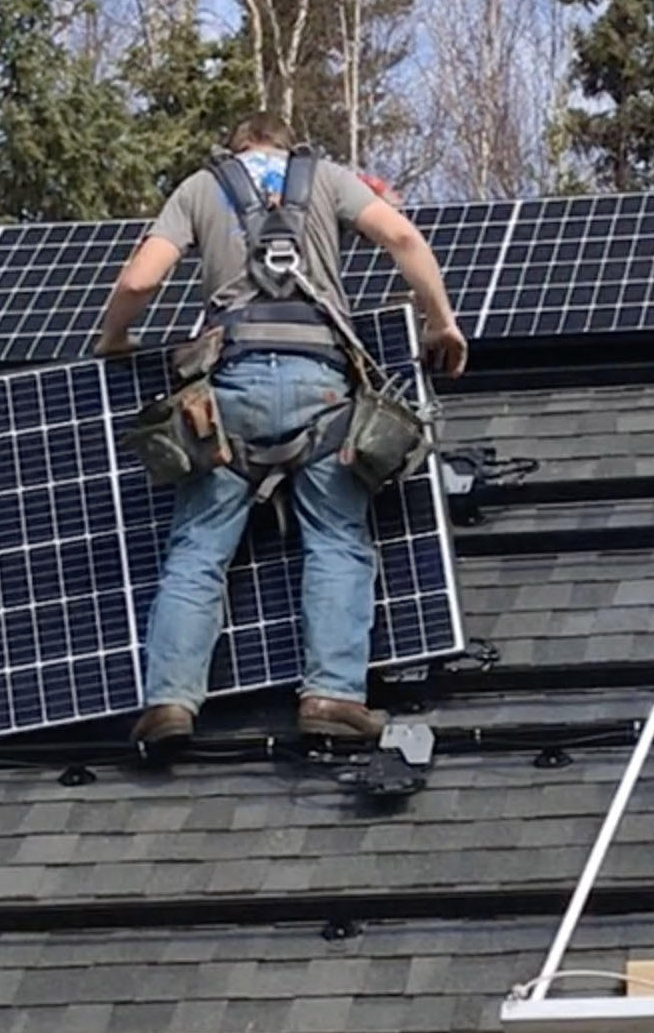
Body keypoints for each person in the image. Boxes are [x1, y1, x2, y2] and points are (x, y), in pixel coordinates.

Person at [92, 113, 467, 747]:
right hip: (320, 386)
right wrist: (441, 322)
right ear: (288, 145)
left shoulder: (199, 188)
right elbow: (403, 238)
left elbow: (139, 278)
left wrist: (114, 336)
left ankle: (170, 704)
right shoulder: (329, 178)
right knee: (337, 541)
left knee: (198, 552)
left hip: (230, 391)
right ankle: (331, 695)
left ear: (234, 147)